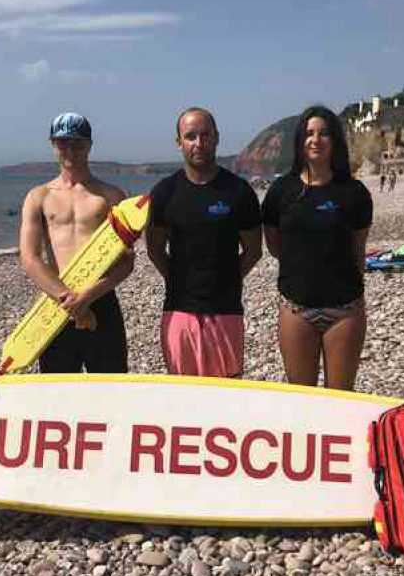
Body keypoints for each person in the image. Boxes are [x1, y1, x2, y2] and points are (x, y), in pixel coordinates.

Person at [261, 105, 373, 390]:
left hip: (345, 310)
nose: (316, 140)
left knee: (341, 399)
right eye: (309, 133)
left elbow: (357, 250)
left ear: (334, 141)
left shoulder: (354, 193)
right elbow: (275, 246)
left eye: (324, 134)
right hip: (296, 309)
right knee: (303, 401)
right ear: (300, 141)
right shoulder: (281, 192)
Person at [147, 107, 262, 377]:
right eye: (190, 136)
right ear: (179, 143)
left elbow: (254, 250)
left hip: (226, 311)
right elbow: (154, 249)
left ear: (216, 138)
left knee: (228, 395)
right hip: (179, 310)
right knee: (183, 398)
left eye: (205, 135)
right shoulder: (164, 192)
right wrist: (177, 278)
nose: (198, 143)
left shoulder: (239, 191)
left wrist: (227, 278)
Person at [19, 112, 133, 372]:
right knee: (57, 394)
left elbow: (126, 262)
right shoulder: (39, 196)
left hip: (101, 301)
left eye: (78, 143)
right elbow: (29, 257)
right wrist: (70, 301)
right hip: (55, 303)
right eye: (63, 143)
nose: (70, 149)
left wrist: (86, 298)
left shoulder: (111, 195)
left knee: (110, 390)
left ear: (89, 146)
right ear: (53, 145)